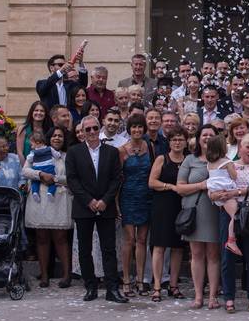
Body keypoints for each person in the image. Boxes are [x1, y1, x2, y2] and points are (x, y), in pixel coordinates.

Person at [66, 115, 127, 303]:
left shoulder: (111, 152)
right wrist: (89, 201)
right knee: (85, 250)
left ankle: (112, 289)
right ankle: (90, 286)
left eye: (94, 128)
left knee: (108, 249)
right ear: (82, 133)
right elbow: (72, 180)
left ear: (99, 130)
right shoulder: (74, 152)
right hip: (84, 207)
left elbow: (117, 178)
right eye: (88, 129)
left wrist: (105, 200)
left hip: (106, 206)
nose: (92, 132)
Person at [221, 133, 249, 312]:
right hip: (229, 214)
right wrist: (240, 192)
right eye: (248, 147)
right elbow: (220, 187)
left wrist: (235, 192)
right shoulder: (229, 165)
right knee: (227, 258)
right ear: (240, 148)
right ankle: (229, 297)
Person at [177, 125, 221, 309]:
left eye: (211, 135)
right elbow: (180, 188)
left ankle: (212, 296)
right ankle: (197, 295)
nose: (208, 138)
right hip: (194, 210)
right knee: (196, 253)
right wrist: (202, 185)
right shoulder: (190, 160)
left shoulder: (221, 160)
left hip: (214, 211)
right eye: (204, 135)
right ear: (198, 138)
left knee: (213, 254)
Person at [22, 127, 73, 289]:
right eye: (54, 136)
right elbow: (25, 171)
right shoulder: (36, 153)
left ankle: (66, 275)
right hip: (39, 199)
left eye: (60, 136)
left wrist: (55, 178)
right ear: (48, 138)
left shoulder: (66, 157)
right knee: (42, 238)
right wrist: (40, 175)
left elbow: (72, 178)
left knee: (61, 238)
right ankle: (44, 275)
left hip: (59, 197)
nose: (57, 138)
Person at [146, 126, 187, 302]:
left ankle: (173, 285)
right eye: (174, 139)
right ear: (169, 142)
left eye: (180, 139)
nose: (177, 142)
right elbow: (152, 182)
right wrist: (170, 187)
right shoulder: (162, 159)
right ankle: (157, 286)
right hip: (162, 206)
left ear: (186, 142)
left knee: (178, 248)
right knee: (160, 246)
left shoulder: (188, 160)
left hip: (182, 207)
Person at [117, 114, 153, 297]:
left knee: (142, 239)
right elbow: (116, 178)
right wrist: (116, 204)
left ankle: (140, 279)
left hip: (146, 196)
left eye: (140, 127)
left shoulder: (149, 147)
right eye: (134, 127)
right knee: (129, 240)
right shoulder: (122, 150)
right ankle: (125, 279)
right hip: (128, 197)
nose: (137, 130)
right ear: (129, 129)